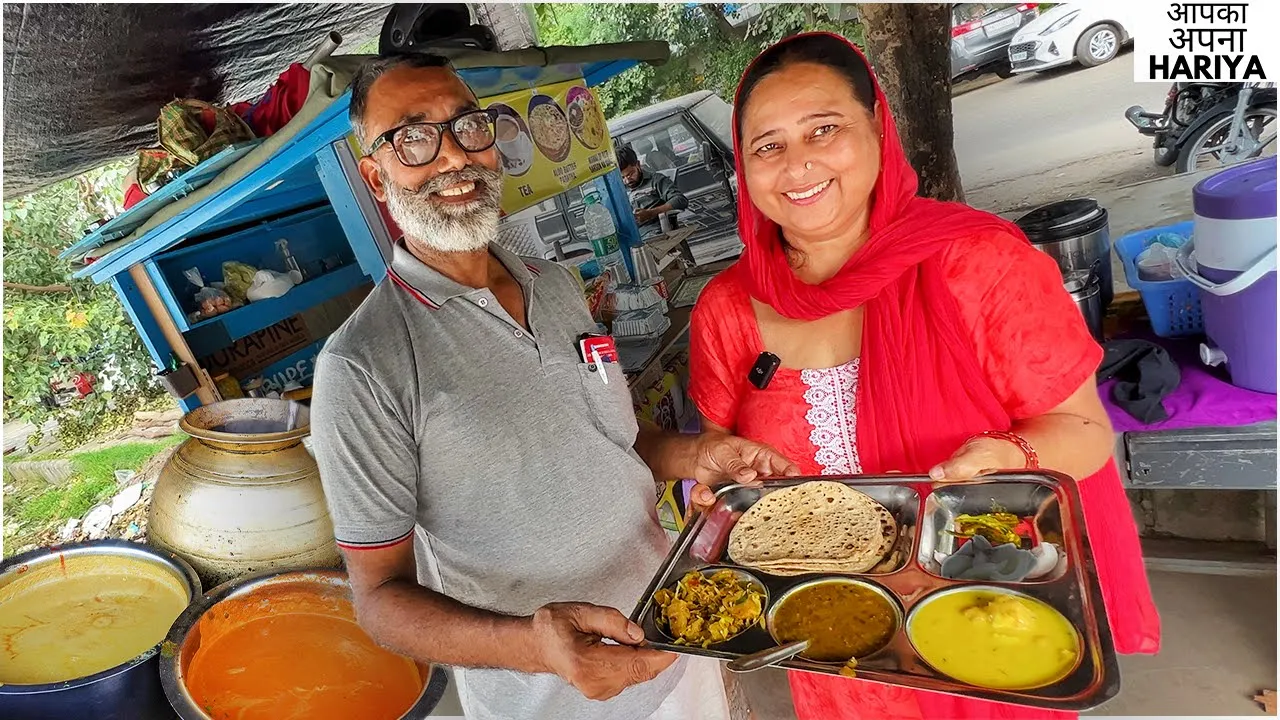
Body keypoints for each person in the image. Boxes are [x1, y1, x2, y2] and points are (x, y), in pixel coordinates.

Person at [686, 33, 1162, 720]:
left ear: (879, 127)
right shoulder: (726, 310)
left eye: (824, 128)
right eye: (768, 145)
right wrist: (719, 490)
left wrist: (1009, 455)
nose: (798, 165)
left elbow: (1086, 433)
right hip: (828, 642)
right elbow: (725, 464)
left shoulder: (981, 264)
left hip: (985, 615)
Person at [310, 53, 799, 720]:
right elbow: (378, 600)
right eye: (414, 138)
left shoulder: (556, 286)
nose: (453, 158)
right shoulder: (364, 363)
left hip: (677, 632)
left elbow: (613, 440)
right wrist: (535, 646)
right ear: (376, 175)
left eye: (467, 127)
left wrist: (696, 455)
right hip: (553, 702)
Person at [618, 145, 688, 232]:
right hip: (632, 236)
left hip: (656, 232)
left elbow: (680, 200)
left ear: (638, 165)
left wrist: (650, 213)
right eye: (622, 177)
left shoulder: (656, 180)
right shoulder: (618, 190)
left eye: (631, 174)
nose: (627, 181)